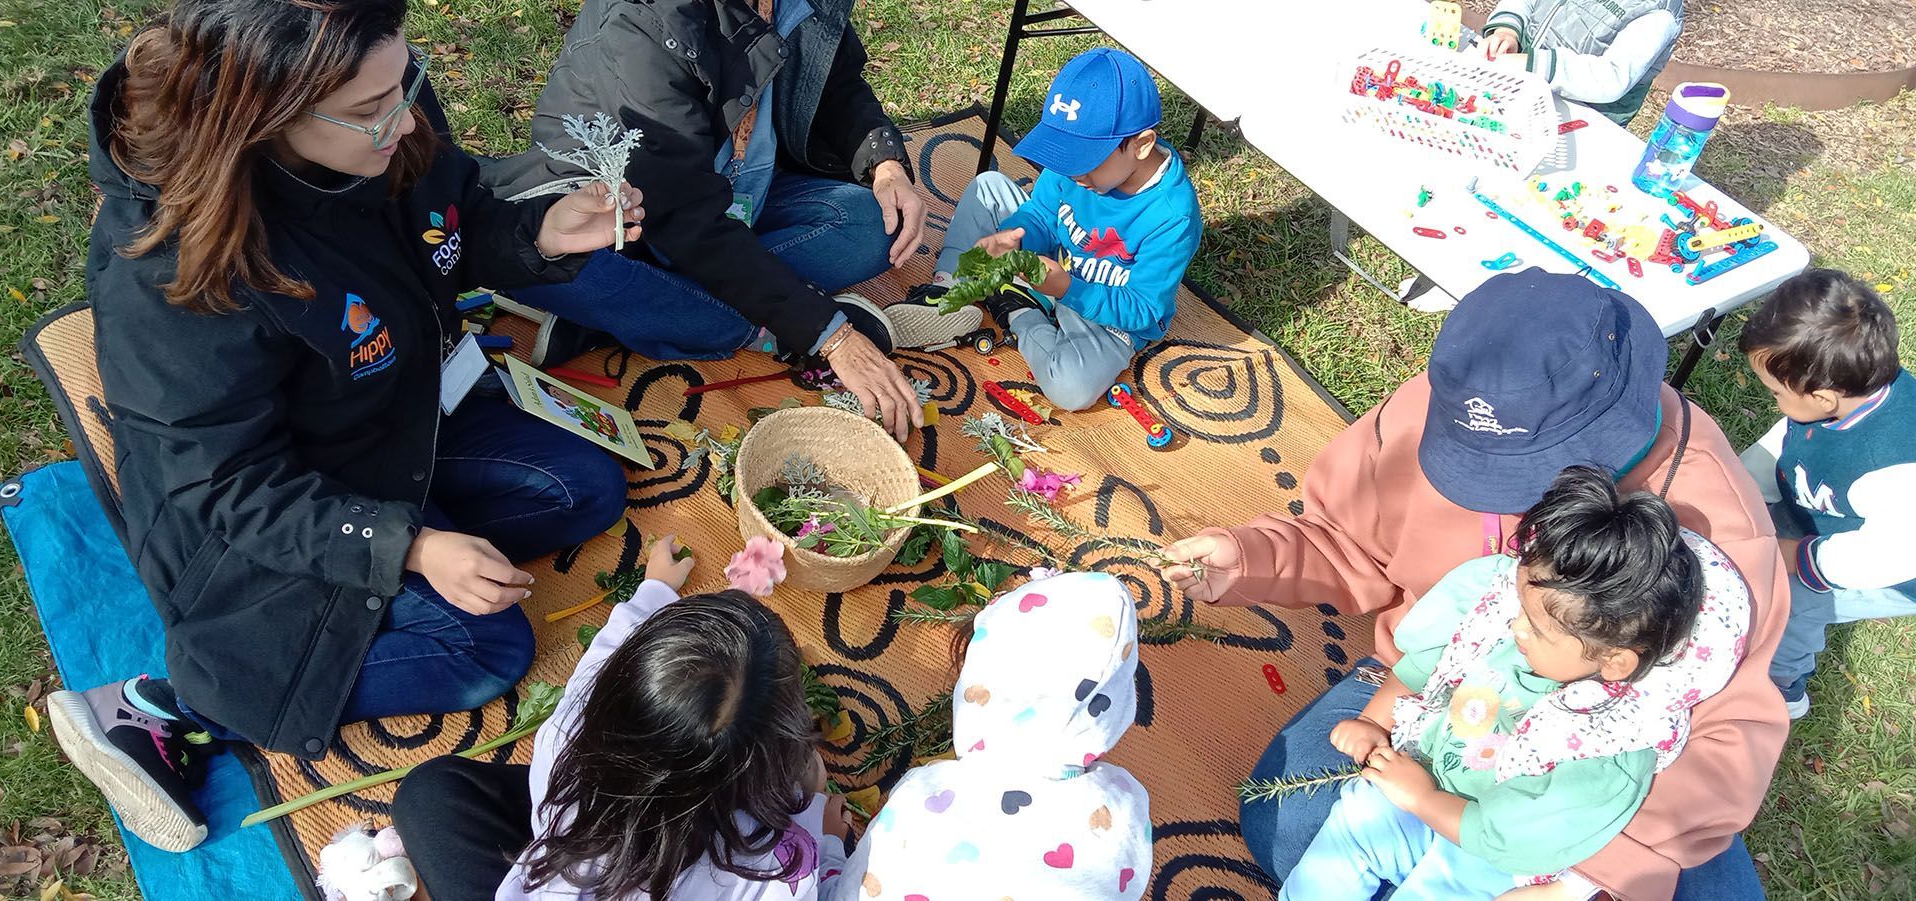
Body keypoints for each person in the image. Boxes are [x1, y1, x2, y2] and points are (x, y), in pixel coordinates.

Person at [45, 0, 634, 854]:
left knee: (587, 487)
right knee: (490, 646)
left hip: (381, 418)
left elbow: (450, 218)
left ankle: (393, 570)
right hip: (250, 516)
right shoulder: (178, 266)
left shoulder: (379, 104)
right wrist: (409, 547)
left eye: (406, 83)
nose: (404, 119)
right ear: (264, 114)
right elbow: (226, 485)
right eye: (369, 111)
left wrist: (536, 232)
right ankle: (173, 703)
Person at [1161, 269, 1788, 900]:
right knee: (1286, 823)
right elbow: (1344, 536)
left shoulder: (1718, 529)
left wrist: (1584, 881)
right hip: (1447, 684)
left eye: (1523, 473)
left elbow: (1727, 735)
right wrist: (1246, 558)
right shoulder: (1454, 405)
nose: (1504, 499)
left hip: (1592, 764)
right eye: (1477, 466)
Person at [1281, 466, 1750, 900]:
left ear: (1616, 662)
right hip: (1429, 780)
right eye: (1522, 609)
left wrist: (1423, 799)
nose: (1517, 628)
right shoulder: (1511, 624)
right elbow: (1426, 667)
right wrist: (1372, 720)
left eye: (1538, 629)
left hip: (1491, 857)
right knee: (1358, 816)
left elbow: (1504, 839)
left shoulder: (1607, 744)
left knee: (1439, 886)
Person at [478, 0, 935, 441]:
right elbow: (684, 217)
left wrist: (885, 164)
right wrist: (830, 336)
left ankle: (668, 308)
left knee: (875, 226)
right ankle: (761, 323)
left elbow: (838, 86)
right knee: (567, 270)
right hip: (628, 215)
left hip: (743, 195)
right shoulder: (645, 18)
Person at [397, 537, 851, 901]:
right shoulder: (774, 862)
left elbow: (604, 658)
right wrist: (822, 830)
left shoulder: (565, 741)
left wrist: (653, 590)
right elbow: (824, 889)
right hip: (608, 859)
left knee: (428, 791)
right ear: (778, 750)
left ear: (614, 697)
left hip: (580, 855)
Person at [884, 48, 1203, 412]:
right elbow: (1040, 214)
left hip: (1105, 308)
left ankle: (1019, 309)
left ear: (1141, 145)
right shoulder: (1074, 171)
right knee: (988, 187)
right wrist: (1014, 235)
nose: (1072, 172)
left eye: (1085, 160)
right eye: (1064, 156)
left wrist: (1068, 289)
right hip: (1055, 264)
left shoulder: (1171, 217)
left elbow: (1144, 310)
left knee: (1072, 390)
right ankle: (948, 290)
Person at [832, 571, 1155, 898]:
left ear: (975, 690)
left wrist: (830, 848)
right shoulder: (1123, 811)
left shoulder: (921, 799)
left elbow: (850, 894)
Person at [1735, 270, 1916, 720]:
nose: (1775, 401)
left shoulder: (1895, 462)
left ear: (1822, 398)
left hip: (1885, 566)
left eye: (1776, 392)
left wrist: (1795, 556)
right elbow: (1784, 440)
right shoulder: (1844, 390)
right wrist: (1742, 490)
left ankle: (1782, 688)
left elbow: (1889, 553)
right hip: (1820, 517)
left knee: (1788, 599)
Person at [1478, 0, 1685, 125]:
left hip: (1581, 118)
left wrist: (1534, 63)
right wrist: (1508, 31)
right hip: (1521, 83)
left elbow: (1611, 78)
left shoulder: (1658, 13)